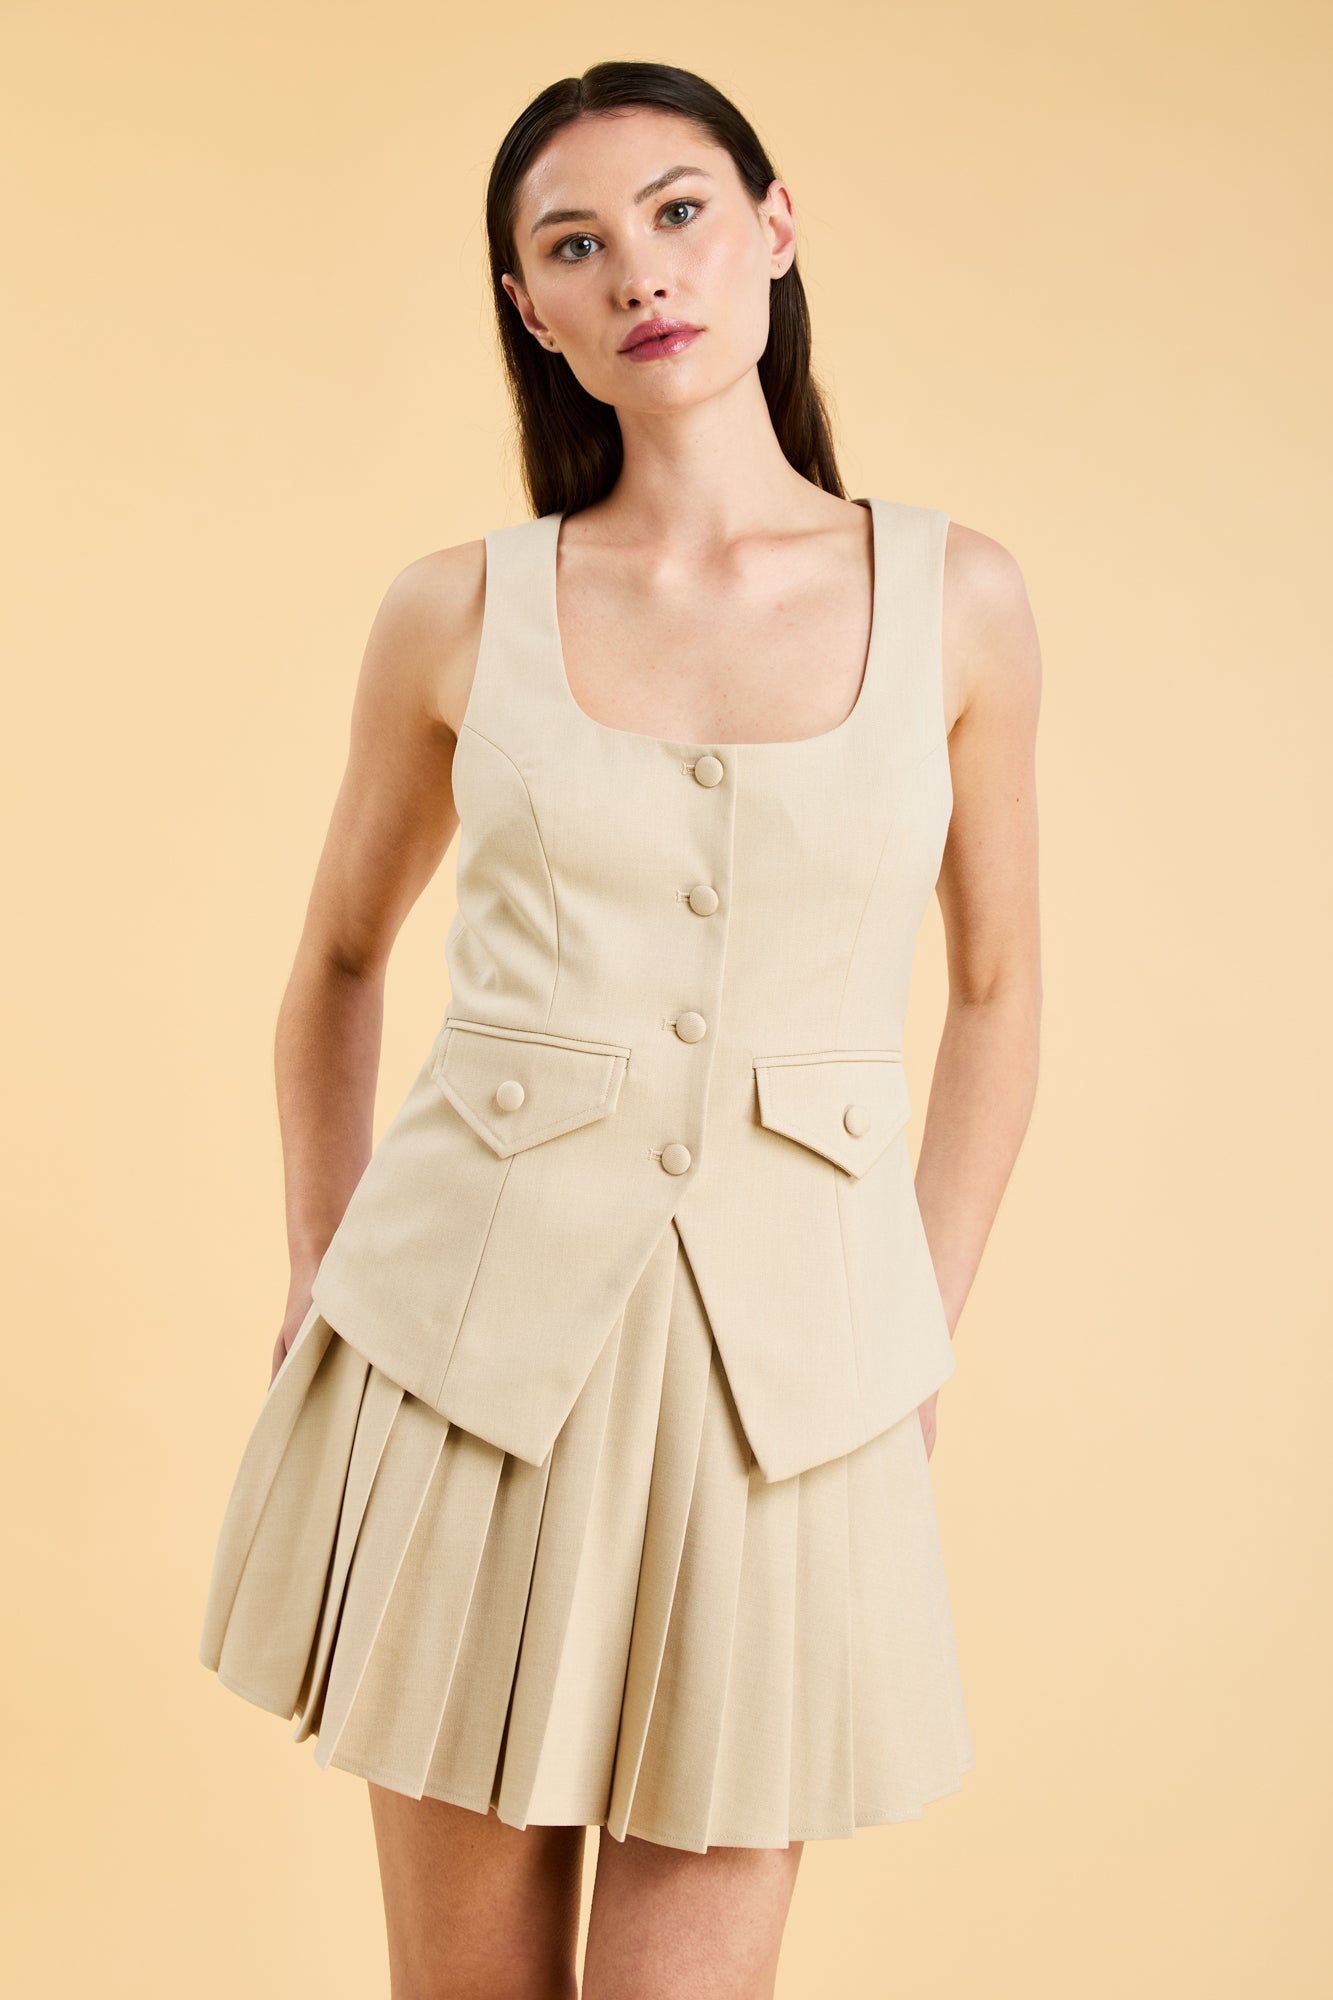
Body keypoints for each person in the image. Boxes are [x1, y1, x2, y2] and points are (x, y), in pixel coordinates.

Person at [197, 58, 1042, 2000]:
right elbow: (333, 961)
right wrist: (320, 1253)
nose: (639, 271)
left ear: (773, 226)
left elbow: (1000, 987)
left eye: (677, 210)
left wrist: (918, 1311)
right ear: (530, 311)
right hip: (462, 1362)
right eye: (572, 244)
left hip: (789, 1389)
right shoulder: (451, 612)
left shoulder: (958, 603)